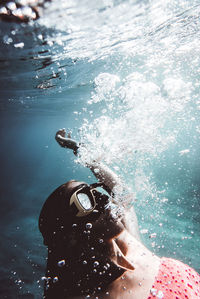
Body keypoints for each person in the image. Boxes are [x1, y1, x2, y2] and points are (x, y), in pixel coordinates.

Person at [39, 129, 200, 299]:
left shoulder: (129, 245)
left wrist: (79, 149)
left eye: (95, 192)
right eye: (84, 201)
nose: (104, 201)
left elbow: (123, 195)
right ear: (72, 235)